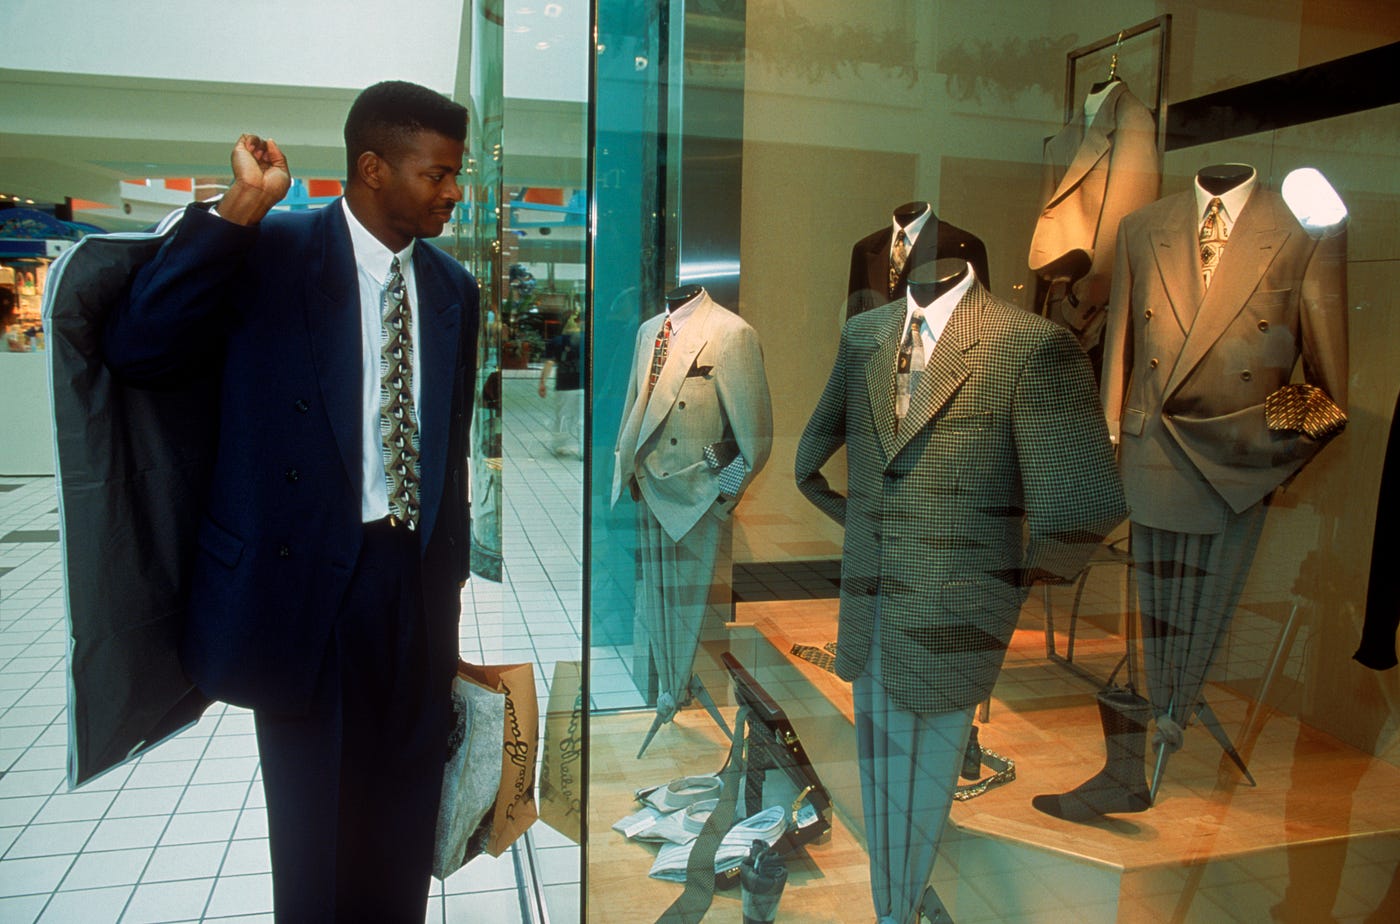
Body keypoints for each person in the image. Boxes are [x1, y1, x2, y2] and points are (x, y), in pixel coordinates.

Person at [103, 81, 479, 921]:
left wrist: (446, 578)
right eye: (439, 173)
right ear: (374, 169)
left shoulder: (454, 289)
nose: (455, 191)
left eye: (459, 174)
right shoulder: (271, 252)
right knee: (316, 830)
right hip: (303, 581)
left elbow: (446, 442)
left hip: (413, 585)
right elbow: (141, 350)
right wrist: (240, 207)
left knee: (405, 812)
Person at [538, 310, 583, 455]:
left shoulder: (557, 341)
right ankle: (582, 446)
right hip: (583, 385)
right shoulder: (587, 339)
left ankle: (560, 445)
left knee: (563, 416)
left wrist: (542, 382)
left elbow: (549, 363)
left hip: (564, 385)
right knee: (582, 417)